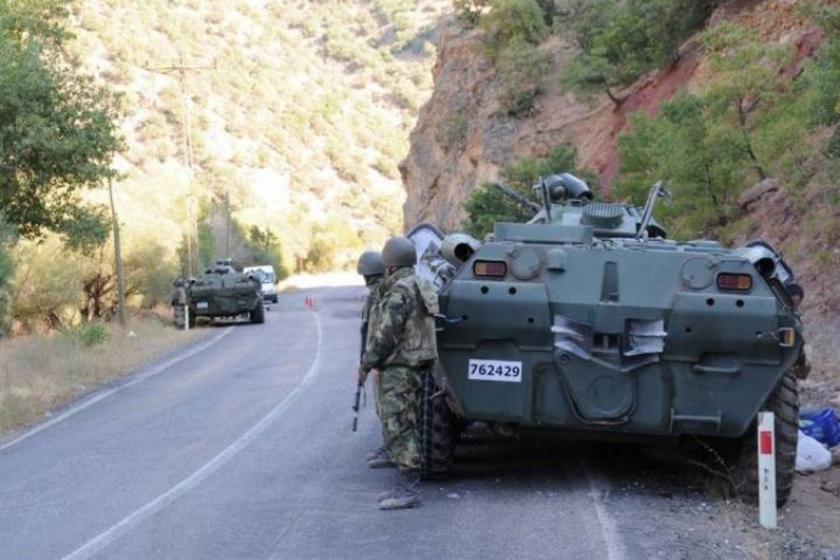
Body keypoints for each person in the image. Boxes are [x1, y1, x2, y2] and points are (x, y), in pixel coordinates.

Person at [360, 236, 439, 510]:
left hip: (400, 367)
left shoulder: (400, 292)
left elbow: (386, 335)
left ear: (391, 266)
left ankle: (408, 490)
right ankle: (405, 486)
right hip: (417, 364)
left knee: (400, 426)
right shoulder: (421, 284)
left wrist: (367, 363)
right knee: (409, 422)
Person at [355, 251, 393, 469]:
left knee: (388, 410)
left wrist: (366, 363)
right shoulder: (382, 293)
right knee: (385, 409)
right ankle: (388, 446)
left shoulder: (377, 295)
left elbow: (374, 330)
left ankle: (392, 449)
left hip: (383, 359)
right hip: (382, 358)